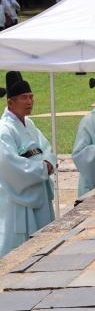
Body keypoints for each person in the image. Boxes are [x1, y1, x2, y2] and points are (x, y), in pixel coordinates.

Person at [0, 72, 56, 257]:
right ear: (10, 102)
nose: (29, 101)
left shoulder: (29, 124)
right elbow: (9, 165)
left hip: (39, 193)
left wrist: (49, 161)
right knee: (19, 251)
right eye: (24, 97)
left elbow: (46, 147)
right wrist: (42, 168)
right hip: (19, 200)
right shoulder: (4, 130)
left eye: (31, 97)